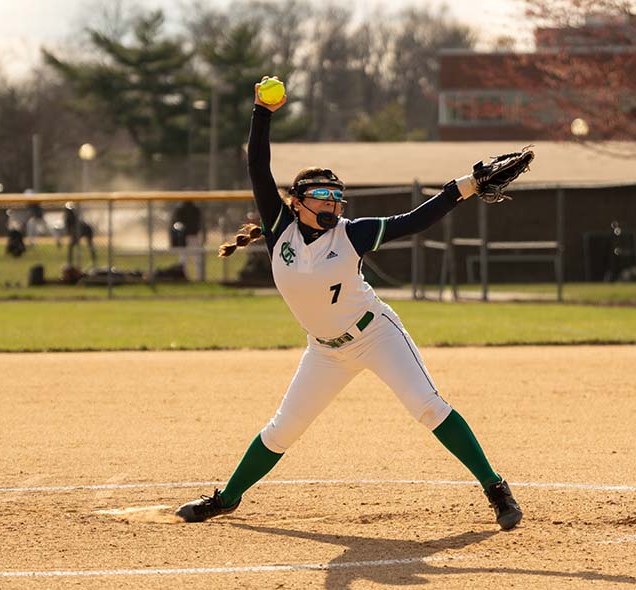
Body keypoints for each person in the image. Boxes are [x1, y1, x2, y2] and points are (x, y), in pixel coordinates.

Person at [175, 77, 523, 530]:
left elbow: (414, 220)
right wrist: (262, 111)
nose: (333, 202)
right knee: (283, 429)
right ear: (297, 202)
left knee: (427, 406)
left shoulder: (350, 233)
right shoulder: (280, 228)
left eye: (338, 196)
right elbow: (258, 167)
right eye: (322, 195)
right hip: (324, 349)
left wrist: (465, 186)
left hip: (375, 333)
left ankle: (496, 489)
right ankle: (228, 498)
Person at [63, 202, 97, 267]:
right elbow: (69, 230)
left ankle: (94, 262)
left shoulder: (74, 216)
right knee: (71, 246)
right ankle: (70, 263)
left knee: (90, 245)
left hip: (86, 229)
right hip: (79, 231)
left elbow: (74, 228)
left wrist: (75, 236)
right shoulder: (68, 218)